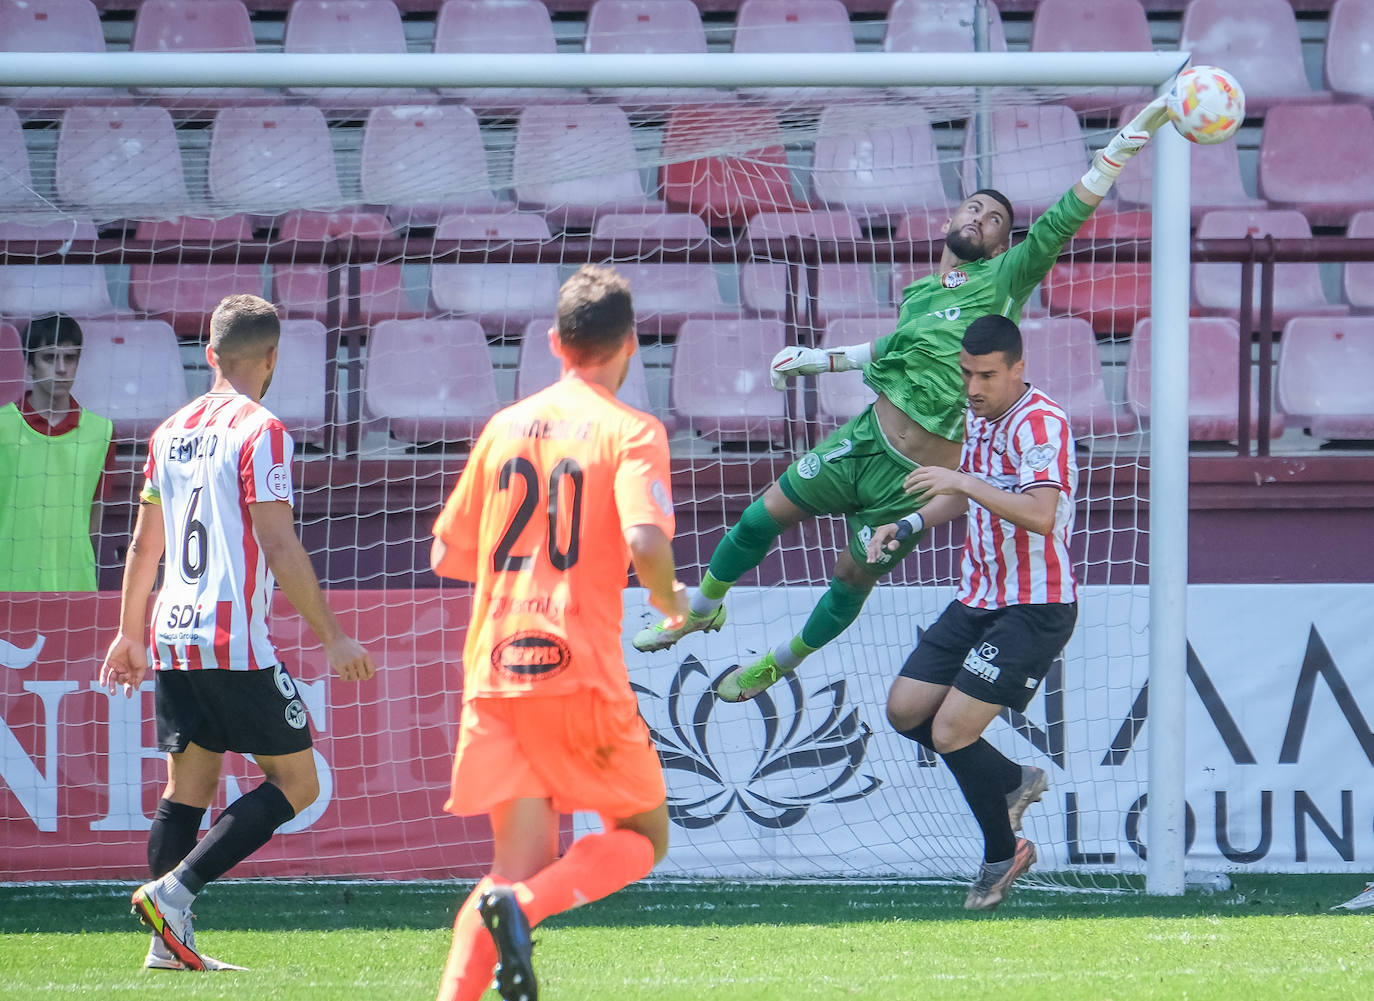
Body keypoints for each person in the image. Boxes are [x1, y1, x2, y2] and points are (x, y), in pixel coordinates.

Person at [633, 96, 1170, 704]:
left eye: (994, 219)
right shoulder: (919, 294)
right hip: (864, 440)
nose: (981, 218)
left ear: (1001, 246)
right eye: (973, 207)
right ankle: (701, 608)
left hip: (917, 480)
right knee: (762, 516)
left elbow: (1061, 221)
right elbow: (893, 346)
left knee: (850, 576)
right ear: (950, 221)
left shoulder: (1004, 279)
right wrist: (816, 359)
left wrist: (1120, 146)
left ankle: (779, 663)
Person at [430, 265, 688, 1001]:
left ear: (554, 342)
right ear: (631, 344)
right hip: (577, 668)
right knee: (643, 837)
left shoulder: (506, 425)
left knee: (512, 865)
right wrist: (671, 603)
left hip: (497, 667)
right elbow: (644, 535)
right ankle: (527, 907)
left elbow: (448, 553)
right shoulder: (631, 430)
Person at [98, 294, 376, 971]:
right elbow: (278, 542)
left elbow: (143, 543)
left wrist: (127, 633)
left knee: (186, 787)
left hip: (172, 630)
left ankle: (166, 946)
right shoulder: (262, 429)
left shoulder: (169, 431)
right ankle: (174, 891)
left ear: (210, 355)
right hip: (233, 638)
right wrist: (333, 636)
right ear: (274, 358)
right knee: (299, 782)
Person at [864, 314, 1078, 911]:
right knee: (906, 711)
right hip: (978, 598)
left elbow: (1038, 513)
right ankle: (1011, 779)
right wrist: (906, 523)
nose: (974, 387)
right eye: (966, 374)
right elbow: (963, 493)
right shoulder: (978, 417)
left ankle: (1000, 851)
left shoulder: (1042, 422)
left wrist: (963, 477)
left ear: (1018, 368)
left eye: (986, 375)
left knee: (952, 730)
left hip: (1034, 606)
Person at [0, 313, 115, 591]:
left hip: (75, 585)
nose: (62, 368)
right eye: (50, 358)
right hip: (8, 586)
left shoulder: (101, 432)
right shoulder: (3, 426)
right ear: (29, 364)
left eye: (70, 358)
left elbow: (94, 516)